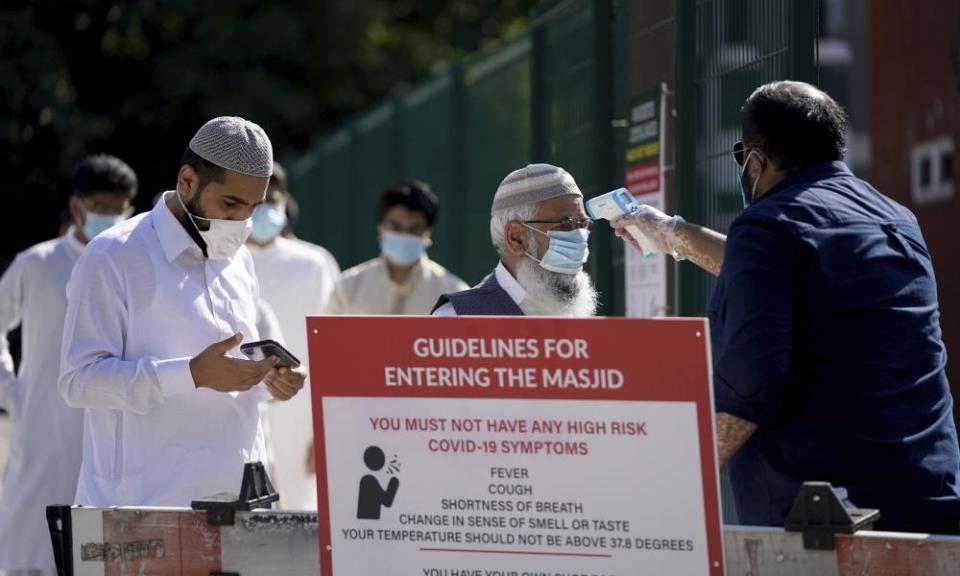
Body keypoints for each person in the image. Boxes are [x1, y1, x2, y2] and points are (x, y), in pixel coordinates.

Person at [613, 81, 960, 533]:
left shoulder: (766, 227)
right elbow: (790, 275)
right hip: (927, 496)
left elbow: (751, 384)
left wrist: (672, 482)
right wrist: (673, 234)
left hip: (828, 520)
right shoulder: (894, 218)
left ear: (755, 161)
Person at [59, 116, 306, 507]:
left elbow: (230, 378)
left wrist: (270, 380)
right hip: (142, 511)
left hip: (238, 507)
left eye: (253, 207)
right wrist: (190, 374)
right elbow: (78, 380)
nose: (242, 221)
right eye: (230, 203)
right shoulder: (115, 255)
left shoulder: (239, 260)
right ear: (187, 181)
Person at [0, 155, 137, 573]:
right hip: (43, 424)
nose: (111, 217)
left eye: (119, 209)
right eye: (102, 208)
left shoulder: (133, 264)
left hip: (117, 424)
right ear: (77, 206)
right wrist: (11, 391)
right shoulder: (38, 263)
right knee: (30, 546)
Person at [246, 161, 339, 509]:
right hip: (245, 413)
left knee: (303, 521)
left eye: (274, 200)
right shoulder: (223, 261)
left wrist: (325, 426)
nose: (266, 209)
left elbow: (333, 348)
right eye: (259, 201)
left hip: (303, 417)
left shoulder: (314, 264)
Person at [433, 163, 597, 317]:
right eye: (566, 224)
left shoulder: (581, 316)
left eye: (583, 224)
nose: (579, 237)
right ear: (516, 238)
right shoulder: (456, 320)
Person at [328, 180, 467, 315]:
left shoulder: (453, 294)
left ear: (428, 233)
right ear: (380, 228)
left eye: (415, 229)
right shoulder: (348, 288)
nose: (404, 235)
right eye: (395, 226)